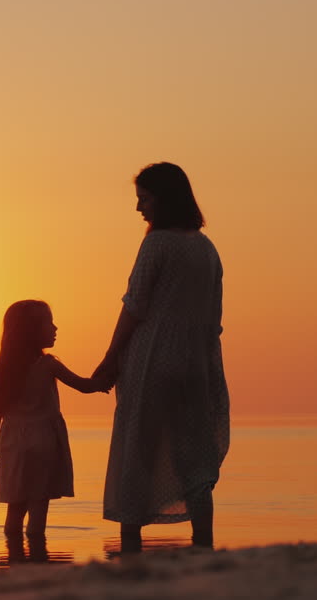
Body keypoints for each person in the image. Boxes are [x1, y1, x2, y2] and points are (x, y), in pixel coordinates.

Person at [92, 162, 230, 550]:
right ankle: (204, 543)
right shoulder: (206, 248)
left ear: (164, 199)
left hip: (151, 360)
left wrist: (109, 358)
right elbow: (214, 319)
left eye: (145, 199)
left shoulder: (157, 244)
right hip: (196, 364)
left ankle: (130, 545)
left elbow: (135, 305)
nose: (140, 209)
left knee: (139, 450)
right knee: (195, 460)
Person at [0, 300, 108, 545]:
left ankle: (14, 556)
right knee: (38, 505)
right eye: (48, 322)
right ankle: (37, 555)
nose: (55, 327)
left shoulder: (6, 368)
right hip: (43, 441)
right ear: (31, 330)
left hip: (11, 442)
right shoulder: (48, 365)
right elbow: (84, 386)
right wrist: (108, 377)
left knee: (15, 507)